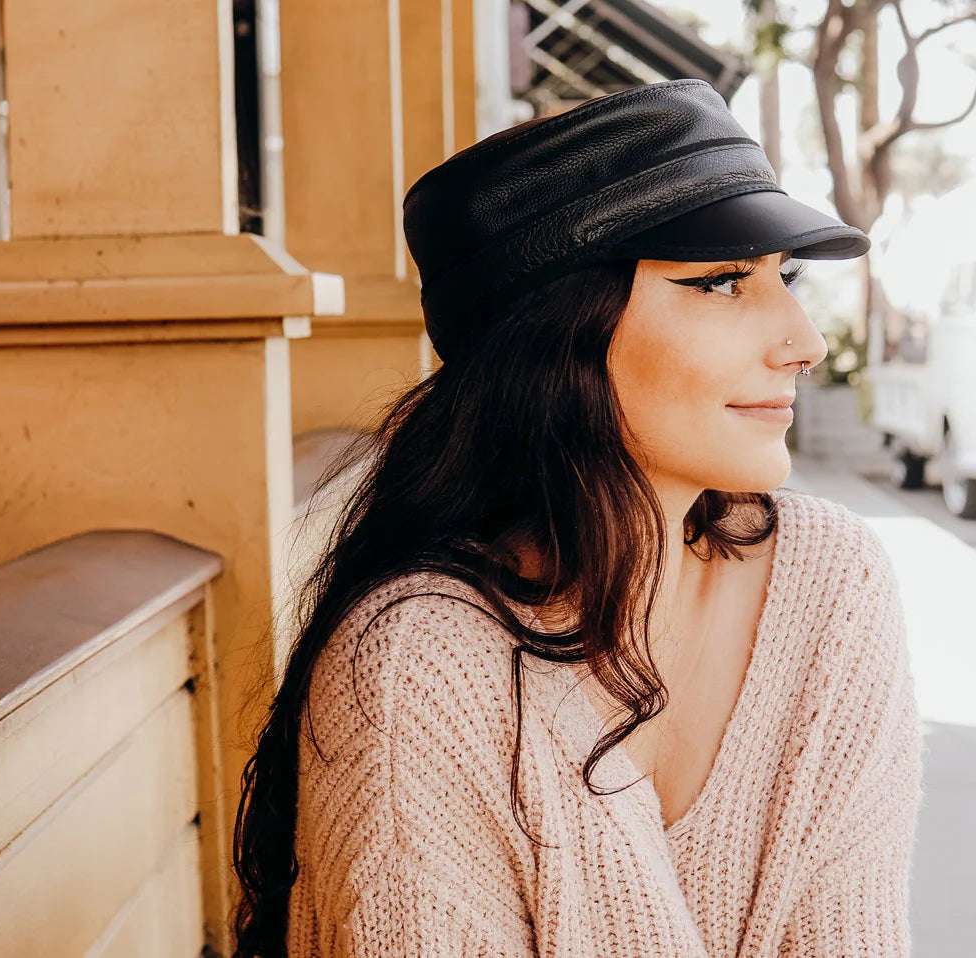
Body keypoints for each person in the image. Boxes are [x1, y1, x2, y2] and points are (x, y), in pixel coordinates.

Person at [231, 79, 923, 958]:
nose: (803, 338)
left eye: (779, 278)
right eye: (717, 284)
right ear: (557, 336)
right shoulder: (422, 670)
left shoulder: (830, 583)